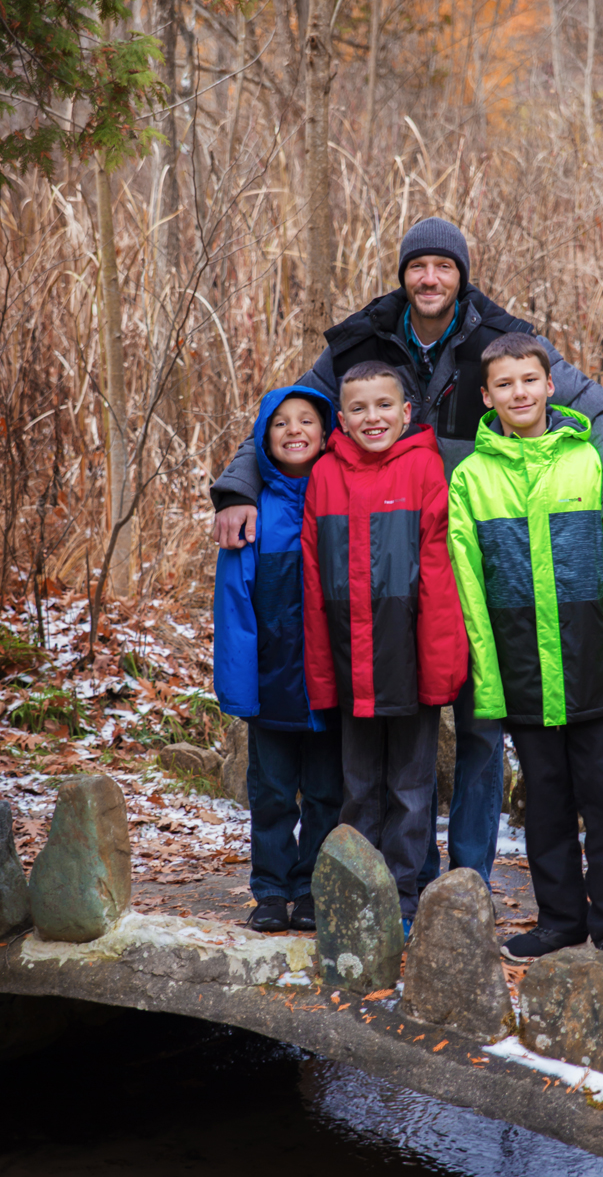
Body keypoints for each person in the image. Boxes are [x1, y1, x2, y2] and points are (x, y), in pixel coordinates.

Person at [210, 217, 603, 893]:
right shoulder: (362, 342)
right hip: (389, 572)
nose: (430, 278)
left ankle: (465, 885)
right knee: (385, 740)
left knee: (480, 725)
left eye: (444, 267)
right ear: (403, 275)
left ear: (462, 276)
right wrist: (238, 488)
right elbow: (288, 414)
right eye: (418, 266)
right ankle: (391, 885)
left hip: (485, 561)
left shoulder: (503, 343)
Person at [447, 333, 603, 960]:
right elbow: (469, 588)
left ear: (550, 387)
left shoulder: (590, 463)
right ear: (486, 396)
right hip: (522, 671)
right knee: (545, 805)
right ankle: (560, 920)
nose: (518, 393)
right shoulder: (471, 479)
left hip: (592, 665)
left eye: (529, 380)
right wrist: (487, 678)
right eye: (504, 384)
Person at [301, 362, 468, 935]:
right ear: (341, 419)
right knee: (358, 787)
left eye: (383, 405)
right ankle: (356, 890)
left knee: (411, 790)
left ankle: (400, 896)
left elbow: (438, 572)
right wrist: (322, 668)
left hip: (408, 657)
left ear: (406, 412)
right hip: (351, 659)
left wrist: (439, 665)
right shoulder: (325, 474)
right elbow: (313, 576)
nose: (372, 417)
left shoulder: (424, 466)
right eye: (358, 408)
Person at [213, 386, 343, 934]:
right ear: (264, 438)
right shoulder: (251, 511)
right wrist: (240, 689)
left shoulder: (339, 496)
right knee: (270, 793)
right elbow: (234, 605)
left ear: (326, 431)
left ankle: (313, 888)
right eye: (281, 422)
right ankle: (270, 889)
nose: (294, 430)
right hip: (272, 684)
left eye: (306, 420)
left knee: (327, 792)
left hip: (330, 685)